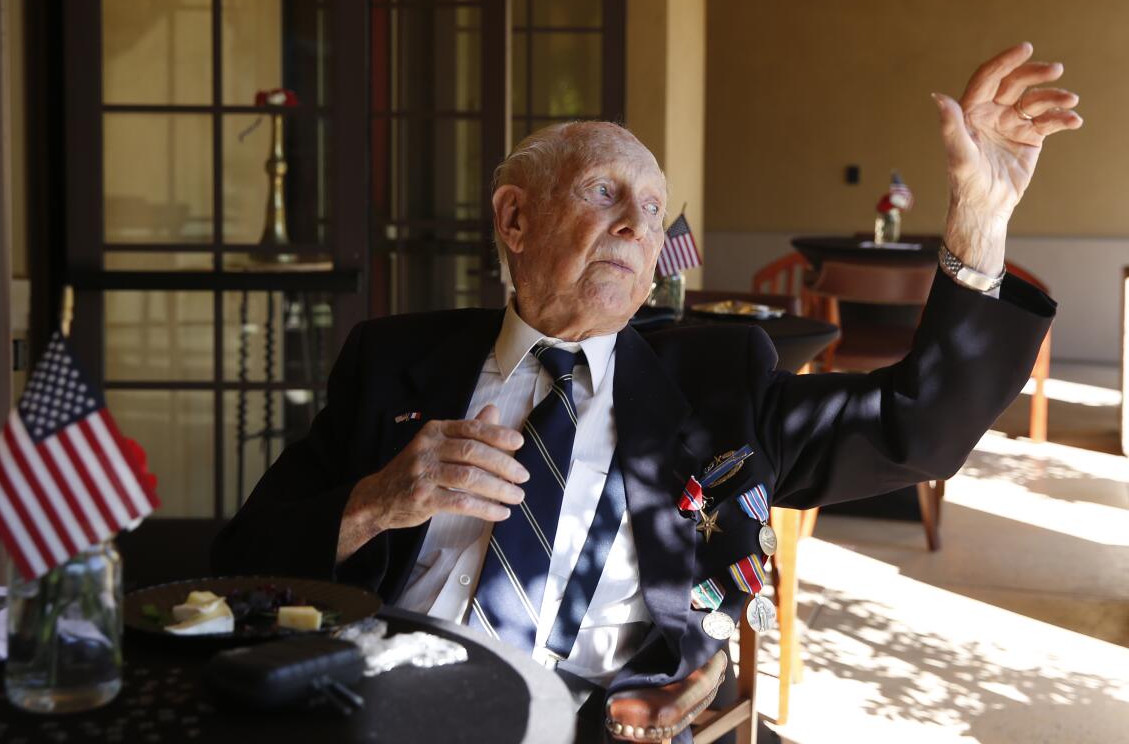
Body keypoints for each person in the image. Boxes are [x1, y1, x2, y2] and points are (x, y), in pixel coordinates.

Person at [211, 43, 1078, 739]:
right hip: (387, 704)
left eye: (653, 209)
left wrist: (981, 218)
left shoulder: (718, 380)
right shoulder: (392, 362)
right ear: (514, 219)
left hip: (601, 717)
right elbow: (241, 564)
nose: (636, 225)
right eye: (603, 193)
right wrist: (374, 501)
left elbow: (914, 430)